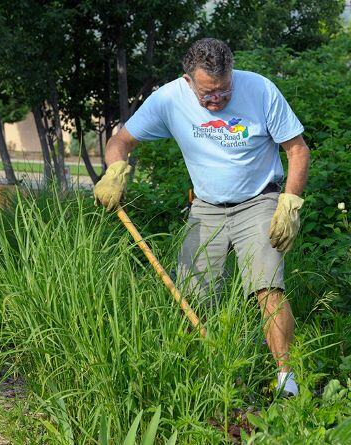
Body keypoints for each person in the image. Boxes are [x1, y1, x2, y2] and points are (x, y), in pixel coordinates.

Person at [93, 38, 310, 396]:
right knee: (192, 294)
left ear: (231, 74)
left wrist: (290, 202)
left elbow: (297, 149)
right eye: (207, 93)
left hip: (259, 200)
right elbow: (121, 140)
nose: (216, 100)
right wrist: (115, 170)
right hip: (206, 206)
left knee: (267, 285)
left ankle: (287, 380)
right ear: (188, 80)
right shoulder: (168, 99)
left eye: (223, 91)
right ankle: (207, 378)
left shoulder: (260, 90)